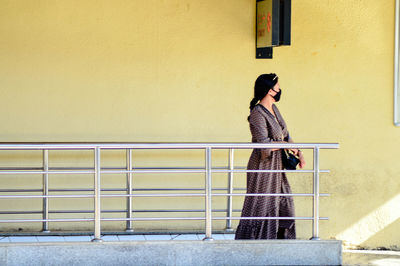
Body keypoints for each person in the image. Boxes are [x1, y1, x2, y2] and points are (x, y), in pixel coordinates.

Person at [235, 73, 306, 240]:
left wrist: (299, 152)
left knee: (285, 203)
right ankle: (251, 245)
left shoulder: (274, 109)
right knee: (260, 206)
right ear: (269, 90)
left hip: (277, 166)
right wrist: (285, 145)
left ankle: (281, 243)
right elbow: (263, 144)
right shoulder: (257, 113)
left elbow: (285, 135)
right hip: (263, 166)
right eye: (278, 86)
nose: (280, 89)